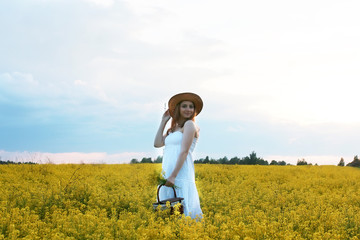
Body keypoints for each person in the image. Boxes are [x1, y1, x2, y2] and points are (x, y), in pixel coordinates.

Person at [154, 92, 203, 219]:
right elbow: (157, 143)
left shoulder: (190, 125)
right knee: (170, 212)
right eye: (184, 106)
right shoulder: (174, 128)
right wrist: (163, 121)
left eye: (191, 106)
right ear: (178, 109)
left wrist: (173, 176)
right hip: (168, 172)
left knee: (183, 210)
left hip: (180, 173)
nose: (188, 109)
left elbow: (184, 152)